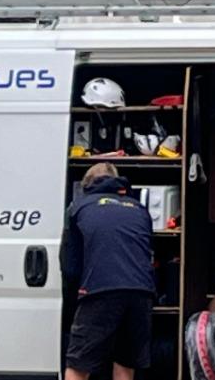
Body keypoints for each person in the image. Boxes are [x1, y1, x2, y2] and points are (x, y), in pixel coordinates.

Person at [62, 163, 157, 380]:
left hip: (100, 290)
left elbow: (70, 266)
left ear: (86, 186)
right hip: (140, 293)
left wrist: (72, 302)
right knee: (125, 363)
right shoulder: (139, 209)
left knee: (78, 364)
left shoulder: (79, 208)